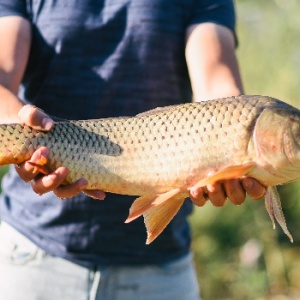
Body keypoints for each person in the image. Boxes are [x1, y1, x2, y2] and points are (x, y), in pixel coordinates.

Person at [0, 1, 266, 299]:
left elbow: (217, 81)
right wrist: (19, 133)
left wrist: (235, 144)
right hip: (32, 260)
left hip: (160, 274)